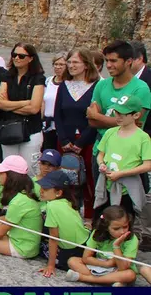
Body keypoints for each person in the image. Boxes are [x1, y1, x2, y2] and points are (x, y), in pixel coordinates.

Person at [88, 41, 151, 184]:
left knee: (125, 202)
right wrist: (104, 119)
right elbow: (91, 121)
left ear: (129, 61)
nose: (109, 65)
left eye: (114, 61)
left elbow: (133, 123)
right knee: (100, 199)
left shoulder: (141, 89)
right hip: (101, 151)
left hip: (129, 154)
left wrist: (99, 117)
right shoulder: (101, 85)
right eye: (107, 60)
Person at [55, 47, 100, 219]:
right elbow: (58, 115)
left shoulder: (96, 87)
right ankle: (67, 213)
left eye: (76, 62)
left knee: (88, 177)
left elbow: (96, 117)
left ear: (86, 65)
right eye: (70, 62)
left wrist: (81, 143)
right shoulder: (64, 86)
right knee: (66, 177)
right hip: (65, 139)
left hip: (86, 140)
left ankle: (89, 216)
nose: (71, 65)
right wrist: (64, 139)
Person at [94, 94, 151, 220]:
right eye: (116, 112)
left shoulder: (143, 138)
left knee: (124, 221)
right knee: (102, 219)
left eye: (122, 114)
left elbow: (148, 165)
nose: (117, 116)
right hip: (107, 185)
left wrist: (121, 174)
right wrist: (101, 164)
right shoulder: (110, 132)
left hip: (127, 190)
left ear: (135, 115)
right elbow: (100, 155)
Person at [0, 43, 45, 176]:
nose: (16, 58)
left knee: (29, 169)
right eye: (14, 55)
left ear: (30, 58)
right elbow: (0, 104)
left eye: (21, 56)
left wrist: (9, 106)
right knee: (9, 168)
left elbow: (34, 108)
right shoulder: (7, 76)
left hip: (31, 130)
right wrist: (25, 103)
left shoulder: (38, 78)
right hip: (9, 128)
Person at [65, 205, 138, 286]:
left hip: (119, 269)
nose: (122, 232)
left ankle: (83, 278)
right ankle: (111, 281)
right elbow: (86, 258)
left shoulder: (132, 238)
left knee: (130, 274)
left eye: (125, 227)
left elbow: (123, 268)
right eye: (116, 228)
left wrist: (116, 246)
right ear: (106, 227)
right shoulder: (97, 233)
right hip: (100, 265)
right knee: (72, 261)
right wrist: (106, 264)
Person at [37, 170, 90, 277]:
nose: (41, 191)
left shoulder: (51, 206)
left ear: (58, 192)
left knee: (41, 247)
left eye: (46, 189)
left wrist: (50, 265)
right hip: (85, 243)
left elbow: (54, 238)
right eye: (42, 187)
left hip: (72, 251)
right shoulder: (68, 201)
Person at [42, 52, 67, 150]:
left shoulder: (69, 83)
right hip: (47, 126)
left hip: (62, 126)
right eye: (56, 64)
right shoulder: (48, 81)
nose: (58, 67)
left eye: (61, 64)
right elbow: (43, 101)